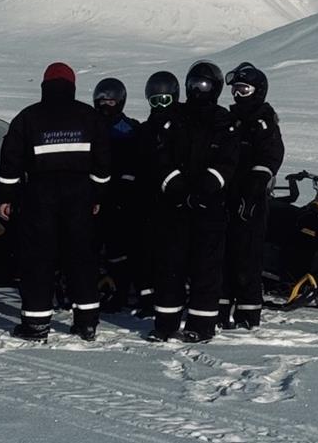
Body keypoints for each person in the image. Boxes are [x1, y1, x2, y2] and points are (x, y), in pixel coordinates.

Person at [0, 63, 110, 342]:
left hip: (39, 195)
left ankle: (36, 324)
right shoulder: (89, 116)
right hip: (80, 195)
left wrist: (6, 197)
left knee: (38, 260)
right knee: (82, 258)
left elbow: (10, 161)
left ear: (44, 86)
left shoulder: (28, 117)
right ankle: (87, 323)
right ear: (72, 86)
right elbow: (104, 163)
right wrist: (96, 195)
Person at [148, 61, 239, 343]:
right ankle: (165, 324)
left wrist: (206, 187)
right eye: (193, 84)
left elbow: (228, 160)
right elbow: (159, 152)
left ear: (215, 88)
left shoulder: (224, 121)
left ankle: (201, 325)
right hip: (174, 204)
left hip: (209, 205)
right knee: (170, 266)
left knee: (206, 268)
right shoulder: (174, 116)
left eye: (204, 85)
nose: (198, 90)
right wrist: (175, 185)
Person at [220, 63, 284, 330]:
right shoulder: (230, 118)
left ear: (258, 91)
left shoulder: (263, 121)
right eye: (235, 89)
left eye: (243, 90)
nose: (237, 95)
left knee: (247, 255)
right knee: (222, 253)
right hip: (227, 194)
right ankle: (220, 308)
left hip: (252, 199)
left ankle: (248, 313)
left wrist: (254, 190)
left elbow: (271, 157)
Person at [130, 71, 181, 318]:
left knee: (170, 252)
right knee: (143, 250)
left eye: (165, 100)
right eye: (155, 101)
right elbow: (135, 161)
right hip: (146, 198)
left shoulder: (182, 128)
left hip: (173, 198)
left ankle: (170, 295)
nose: (160, 106)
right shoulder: (144, 130)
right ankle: (146, 297)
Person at [91, 78, 141, 312]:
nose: (106, 106)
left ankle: (121, 292)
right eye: (102, 101)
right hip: (93, 195)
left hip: (120, 196)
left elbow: (137, 160)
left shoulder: (129, 128)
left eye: (111, 101)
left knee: (118, 248)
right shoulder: (88, 124)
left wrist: (126, 186)